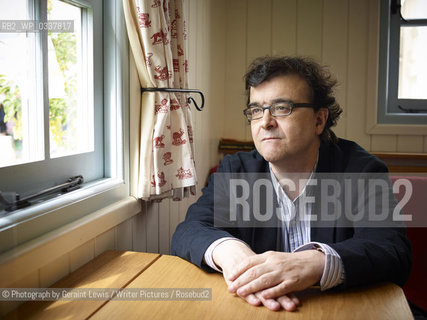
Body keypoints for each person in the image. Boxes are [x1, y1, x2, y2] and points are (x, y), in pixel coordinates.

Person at [171, 56, 411, 312]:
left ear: (319, 120)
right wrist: (231, 251)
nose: (265, 122)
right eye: (255, 110)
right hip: (255, 310)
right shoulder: (237, 170)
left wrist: (315, 263)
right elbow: (190, 230)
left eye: (282, 108)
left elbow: (391, 249)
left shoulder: (360, 170)